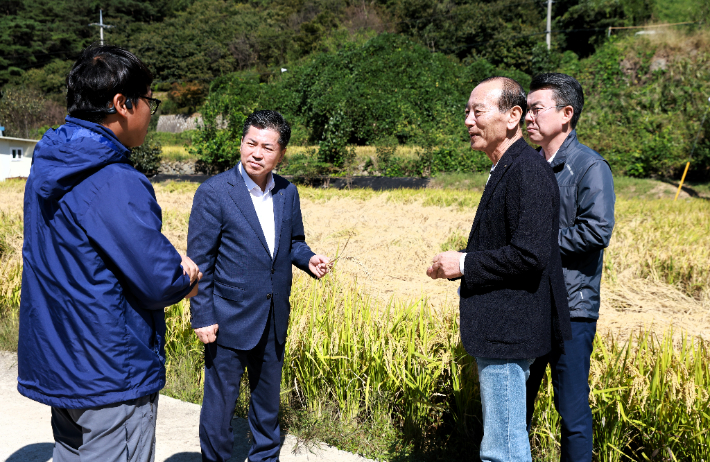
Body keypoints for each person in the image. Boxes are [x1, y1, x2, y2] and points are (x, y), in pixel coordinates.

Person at [17, 45, 201, 461]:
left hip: (61, 361)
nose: (151, 113)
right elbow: (158, 281)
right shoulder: (115, 179)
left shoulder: (48, 168)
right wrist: (186, 277)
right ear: (122, 104)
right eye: (149, 101)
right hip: (110, 369)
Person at [427, 76, 571, 462]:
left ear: (512, 116)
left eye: (478, 111)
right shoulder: (509, 167)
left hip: (509, 335)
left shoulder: (527, 170)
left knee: (503, 450)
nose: (468, 121)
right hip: (502, 332)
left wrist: (463, 263)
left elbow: (529, 254)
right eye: (467, 112)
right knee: (502, 444)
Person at [187, 110, 331, 462]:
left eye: (267, 147)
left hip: (273, 315)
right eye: (250, 143)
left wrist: (308, 258)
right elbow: (199, 263)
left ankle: (265, 457)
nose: (256, 153)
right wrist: (202, 315)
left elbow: (293, 241)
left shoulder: (287, 193)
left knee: (266, 404)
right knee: (220, 408)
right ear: (241, 143)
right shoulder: (215, 193)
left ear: (281, 154)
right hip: (227, 317)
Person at [525, 73, 615, 461]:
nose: (527, 116)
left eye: (536, 108)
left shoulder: (590, 165)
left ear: (566, 113)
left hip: (572, 309)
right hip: (528, 302)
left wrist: (535, 246)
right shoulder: (528, 164)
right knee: (517, 404)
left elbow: (596, 231)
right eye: (526, 109)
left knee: (573, 412)